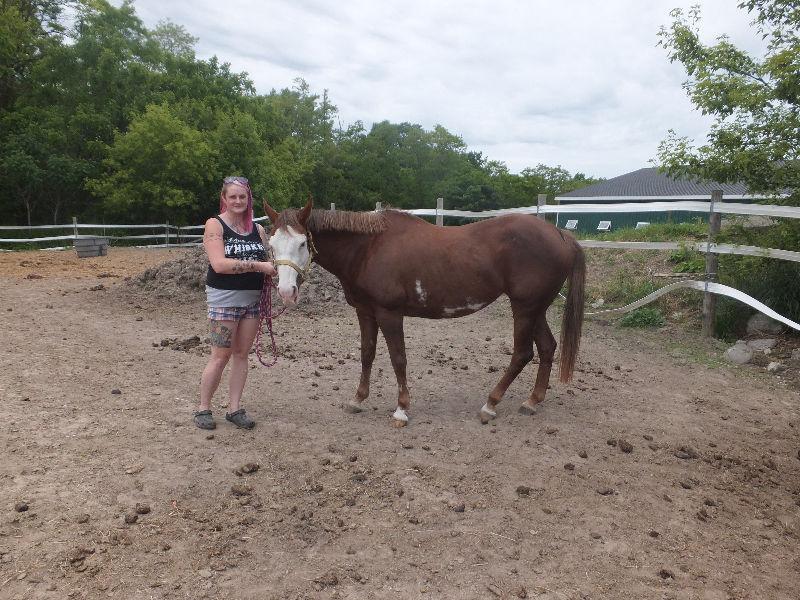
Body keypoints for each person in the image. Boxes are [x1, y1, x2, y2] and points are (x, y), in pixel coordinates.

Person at [194, 176, 277, 430]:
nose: (238, 201)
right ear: (224, 199)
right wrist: (259, 266)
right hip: (224, 301)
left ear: (248, 198)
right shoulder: (215, 225)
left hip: (251, 301)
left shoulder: (258, 230)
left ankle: (234, 408)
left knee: (242, 355)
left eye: (242, 196)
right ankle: (203, 408)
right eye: (233, 197)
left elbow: (267, 263)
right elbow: (219, 264)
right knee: (220, 356)